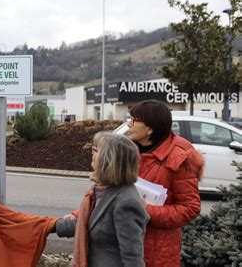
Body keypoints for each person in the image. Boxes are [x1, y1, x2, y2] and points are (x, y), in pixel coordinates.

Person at [127, 100, 204, 267]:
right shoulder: (127, 151)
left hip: (158, 251)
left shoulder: (179, 159)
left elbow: (190, 208)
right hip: (126, 243)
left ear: (149, 129)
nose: (128, 124)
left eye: (134, 120)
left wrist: (146, 210)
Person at [61, 132, 149, 267]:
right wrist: (46, 226)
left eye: (96, 150)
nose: (92, 152)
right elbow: (88, 224)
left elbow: (133, 260)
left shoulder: (126, 202)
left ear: (110, 160)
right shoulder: (98, 190)